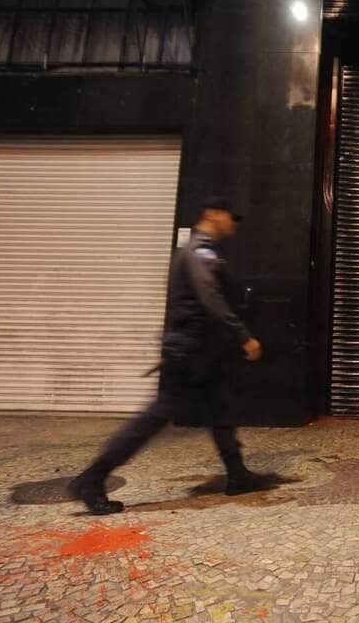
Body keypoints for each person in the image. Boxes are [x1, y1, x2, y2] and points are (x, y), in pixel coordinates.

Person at [69, 196, 264, 515]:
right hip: (190, 351)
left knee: (221, 411)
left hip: (204, 350)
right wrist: (243, 336)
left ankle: (237, 475)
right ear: (212, 213)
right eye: (232, 216)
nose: (234, 224)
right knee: (156, 417)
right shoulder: (199, 251)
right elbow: (210, 297)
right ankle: (92, 479)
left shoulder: (200, 250)